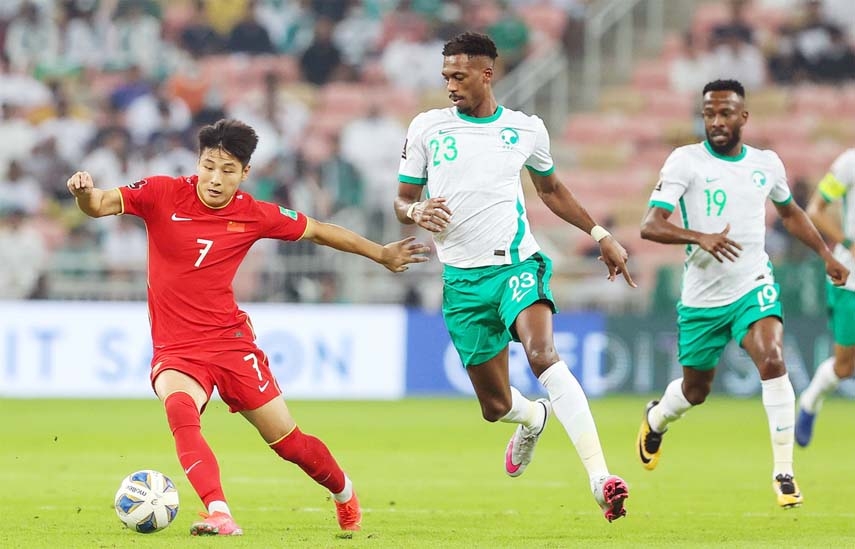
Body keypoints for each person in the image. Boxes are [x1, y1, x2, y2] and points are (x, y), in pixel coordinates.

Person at [66, 118, 430, 536]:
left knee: (288, 442)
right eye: (208, 166)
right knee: (180, 412)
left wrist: (380, 253)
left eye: (227, 170)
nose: (215, 179)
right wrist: (82, 194)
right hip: (177, 349)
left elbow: (319, 231)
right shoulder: (160, 192)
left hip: (231, 344)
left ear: (245, 174)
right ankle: (219, 512)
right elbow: (98, 205)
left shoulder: (254, 214)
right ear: (197, 162)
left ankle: (345, 493)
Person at [394, 32, 636, 522]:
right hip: (462, 281)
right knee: (494, 404)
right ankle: (531, 417)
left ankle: (600, 477)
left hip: (517, 265)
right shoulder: (427, 128)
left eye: (459, 76)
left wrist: (599, 232)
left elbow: (551, 189)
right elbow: (401, 201)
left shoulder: (526, 129)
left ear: (488, 74)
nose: (450, 86)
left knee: (544, 355)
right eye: (445, 77)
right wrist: (416, 210)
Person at [636, 79, 849, 509]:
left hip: (752, 284)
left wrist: (826, 254)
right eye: (709, 113)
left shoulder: (766, 164)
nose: (716, 121)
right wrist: (700, 237)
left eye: (725, 113)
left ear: (743, 117)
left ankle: (784, 472)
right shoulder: (686, 161)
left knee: (772, 358)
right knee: (696, 390)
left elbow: (791, 215)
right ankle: (657, 418)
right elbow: (650, 224)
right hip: (701, 298)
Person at [795, 148, 855, 447]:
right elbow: (815, 209)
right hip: (850, 280)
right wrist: (847, 242)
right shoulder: (849, 163)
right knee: (845, 367)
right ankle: (810, 400)